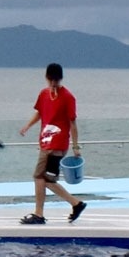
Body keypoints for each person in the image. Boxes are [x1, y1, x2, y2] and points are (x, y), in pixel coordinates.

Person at [18, 62, 86, 225]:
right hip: (45, 142)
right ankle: (75, 204)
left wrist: (75, 146)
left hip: (57, 144)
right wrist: (27, 126)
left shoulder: (68, 97)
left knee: (40, 177)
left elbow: (72, 123)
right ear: (47, 78)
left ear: (60, 79)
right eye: (52, 80)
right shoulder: (43, 94)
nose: (54, 83)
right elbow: (40, 113)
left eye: (56, 80)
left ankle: (40, 214)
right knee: (46, 179)